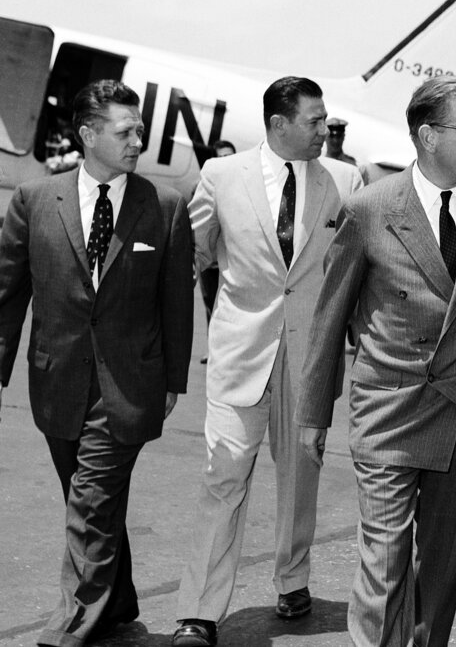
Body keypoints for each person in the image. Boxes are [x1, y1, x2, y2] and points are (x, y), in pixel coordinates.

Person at [295, 75, 456, 647]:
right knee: (384, 562)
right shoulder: (369, 208)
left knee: (441, 569)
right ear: (428, 136)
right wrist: (314, 415)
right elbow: (331, 316)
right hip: (390, 411)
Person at [0, 79, 193, 647]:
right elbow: (6, 294)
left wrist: (173, 380)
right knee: (89, 500)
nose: (138, 141)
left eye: (139, 130)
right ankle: (118, 602)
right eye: (125, 131)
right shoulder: (34, 199)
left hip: (129, 385)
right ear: (87, 134)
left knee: (90, 498)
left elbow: (176, 303)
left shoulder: (164, 206)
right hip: (57, 381)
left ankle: (72, 624)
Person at [172, 76, 362, 647]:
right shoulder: (221, 176)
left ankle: (293, 578)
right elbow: (190, 254)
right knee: (223, 477)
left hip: (311, 361)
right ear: (279, 124)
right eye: (314, 121)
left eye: (325, 119)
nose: (324, 130)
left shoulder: (345, 181)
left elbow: (358, 269)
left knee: (300, 477)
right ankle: (199, 612)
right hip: (240, 355)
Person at [197, 140, 237, 364]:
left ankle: (232, 351)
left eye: (229, 157)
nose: (225, 161)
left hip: (234, 260)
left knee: (232, 306)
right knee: (210, 303)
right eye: (221, 157)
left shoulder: (245, 189)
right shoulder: (203, 186)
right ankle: (213, 349)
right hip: (210, 260)